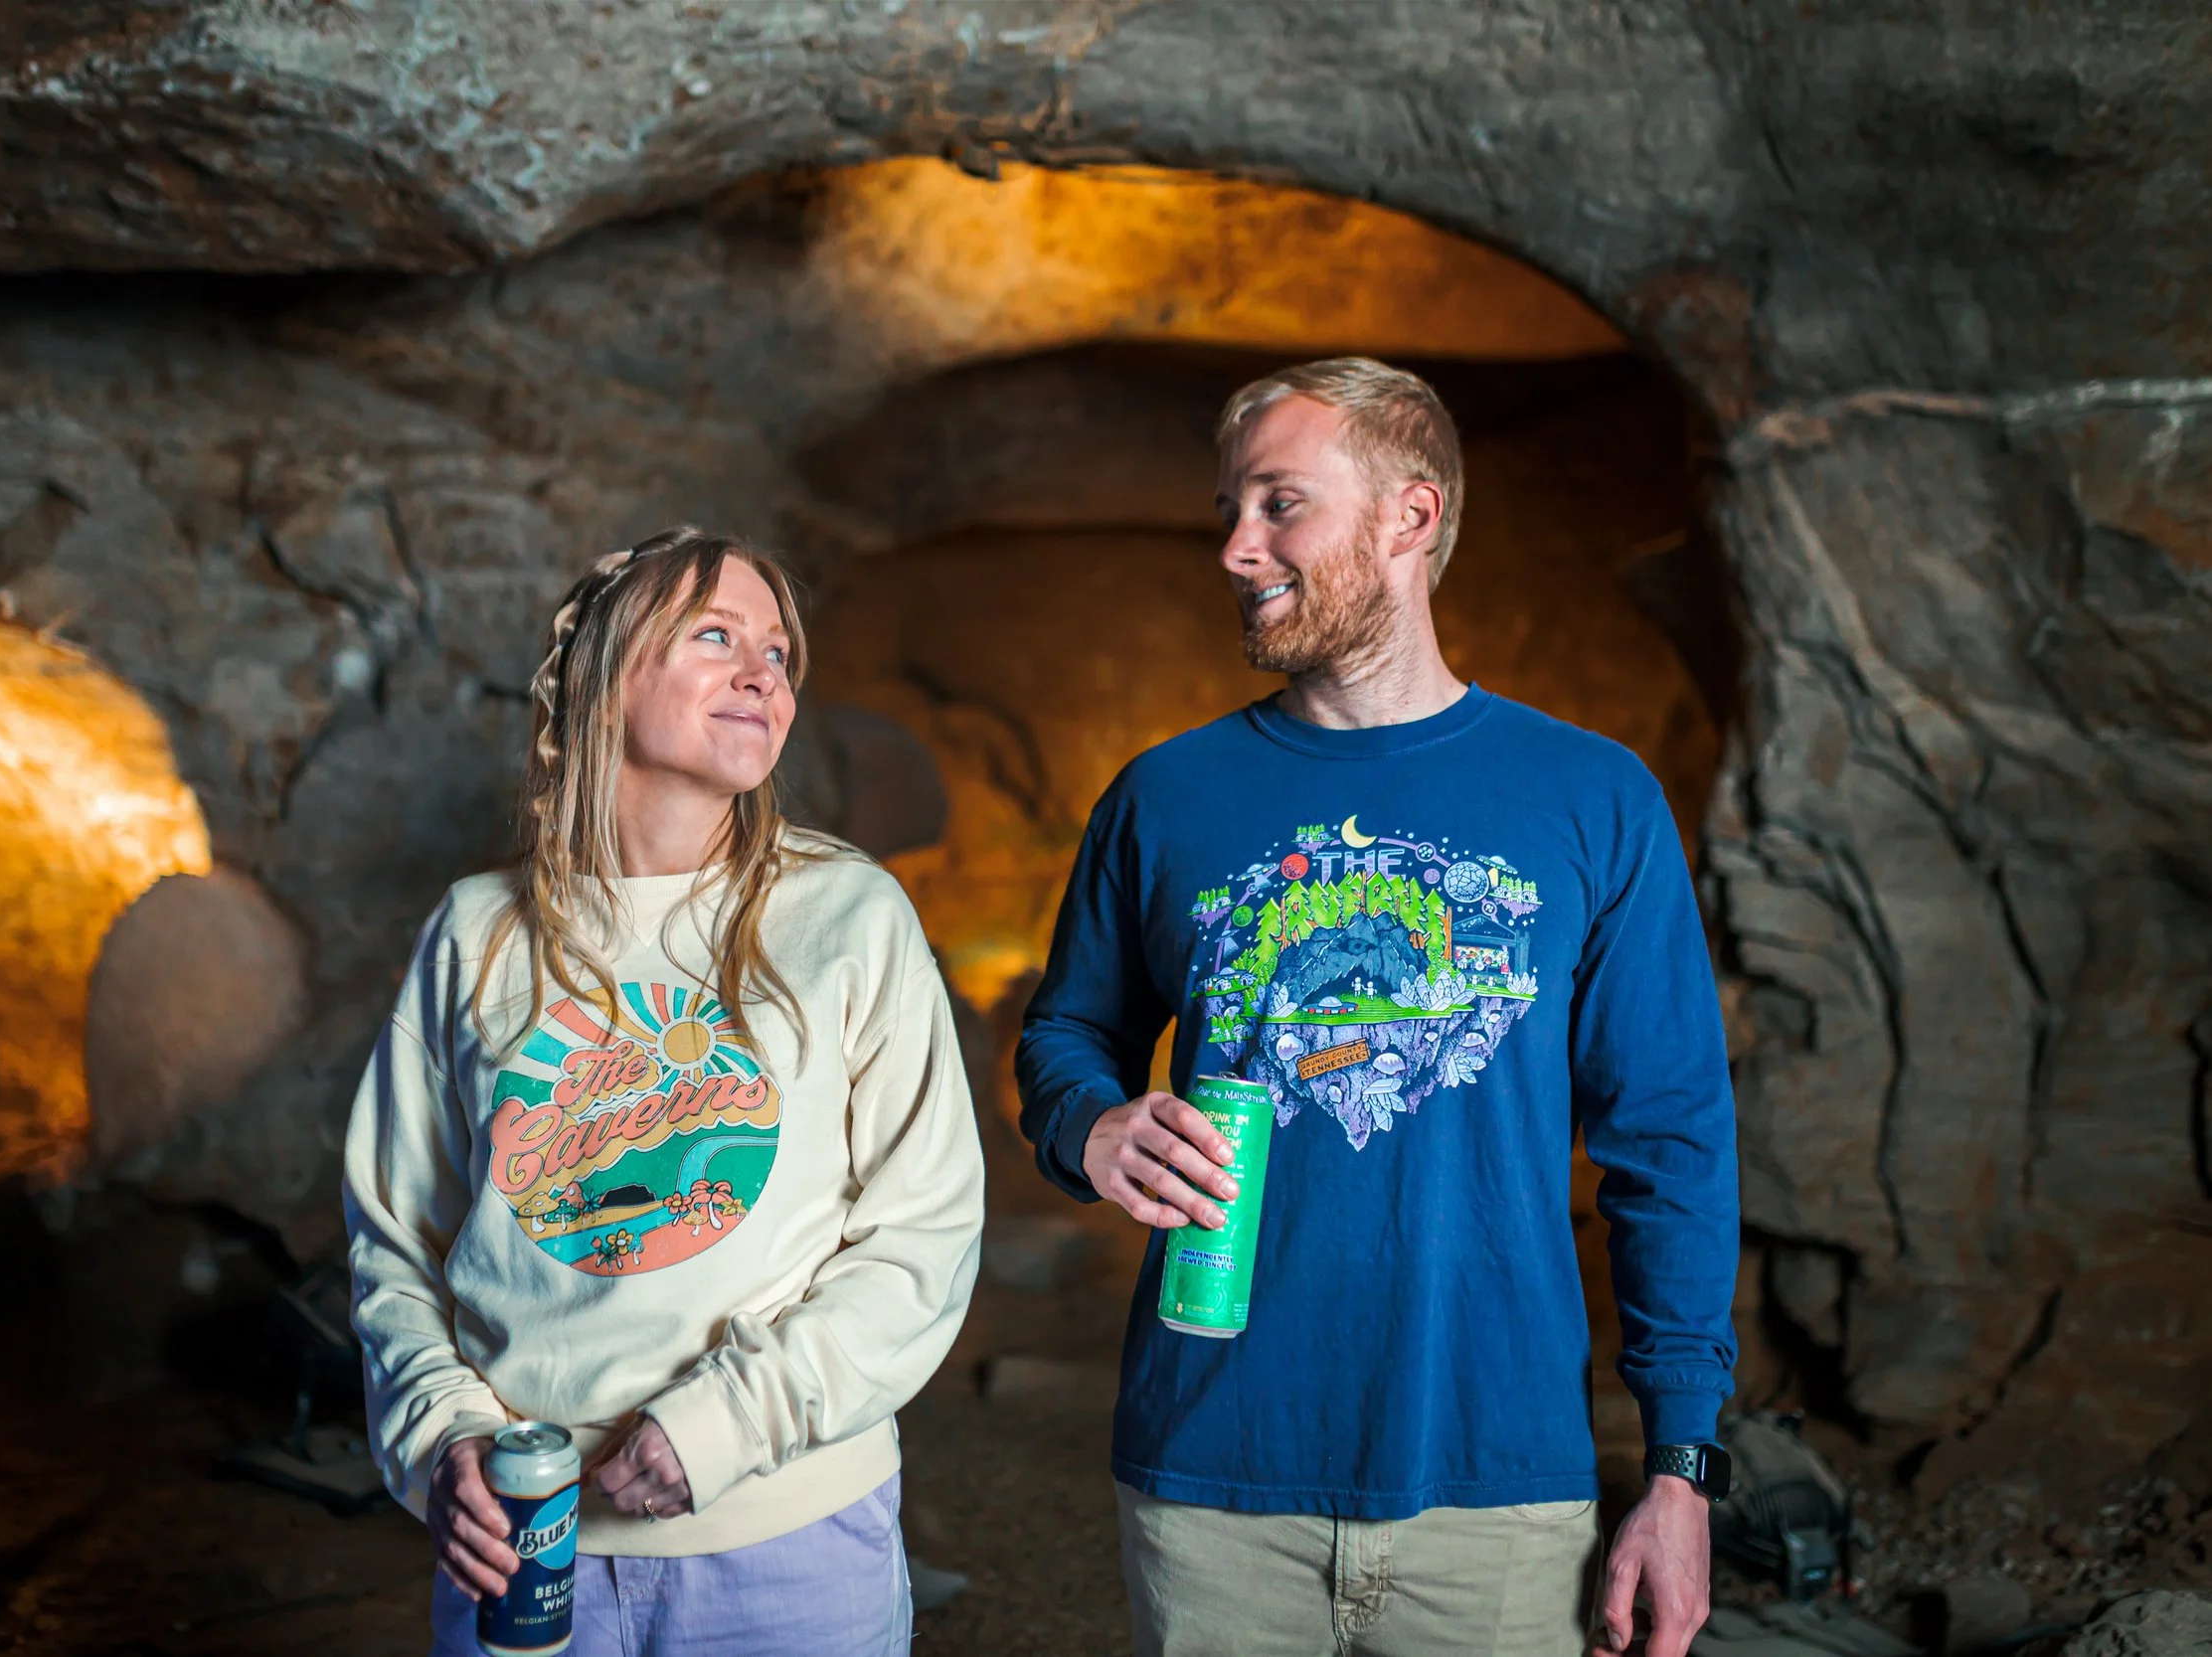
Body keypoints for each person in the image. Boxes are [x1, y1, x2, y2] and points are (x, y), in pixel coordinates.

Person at [1016, 360, 1740, 1657]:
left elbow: (1670, 1139)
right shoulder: (1164, 795)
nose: (1238, 548)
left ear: (1410, 516)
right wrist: (1089, 1126)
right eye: (1231, 511)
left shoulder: (1593, 796)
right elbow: (1067, 1033)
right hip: (1211, 1472)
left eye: (1279, 504)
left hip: (1501, 1487)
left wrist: (1682, 1468)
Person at [344, 526, 983, 1657]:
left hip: (786, 1545)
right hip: (528, 1543)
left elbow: (924, 1238)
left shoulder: (847, 914)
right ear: (604, 672)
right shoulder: (476, 934)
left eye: (779, 651)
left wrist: (725, 1422)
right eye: (716, 635)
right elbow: (396, 1240)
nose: (762, 673)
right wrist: (441, 1433)